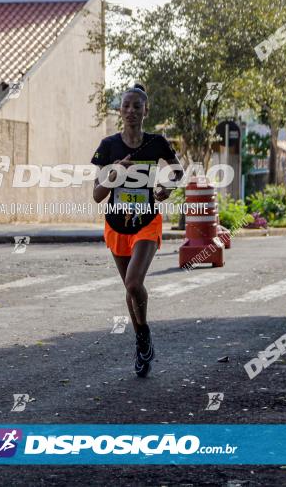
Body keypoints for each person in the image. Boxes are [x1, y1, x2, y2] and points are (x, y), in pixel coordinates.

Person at [91, 83, 183, 377]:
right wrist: (114, 173)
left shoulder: (157, 143)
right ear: (120, 110)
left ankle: (143, 335)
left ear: (146, 110)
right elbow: (96, 193)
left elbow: (178, 171)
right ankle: (142, 342)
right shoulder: (108, 146)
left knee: (133, 284)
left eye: (136, 106)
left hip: (147, 221)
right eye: (126, 105)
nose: (131, 111)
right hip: (117, 223)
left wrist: (167, 187)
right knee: (130, 291)